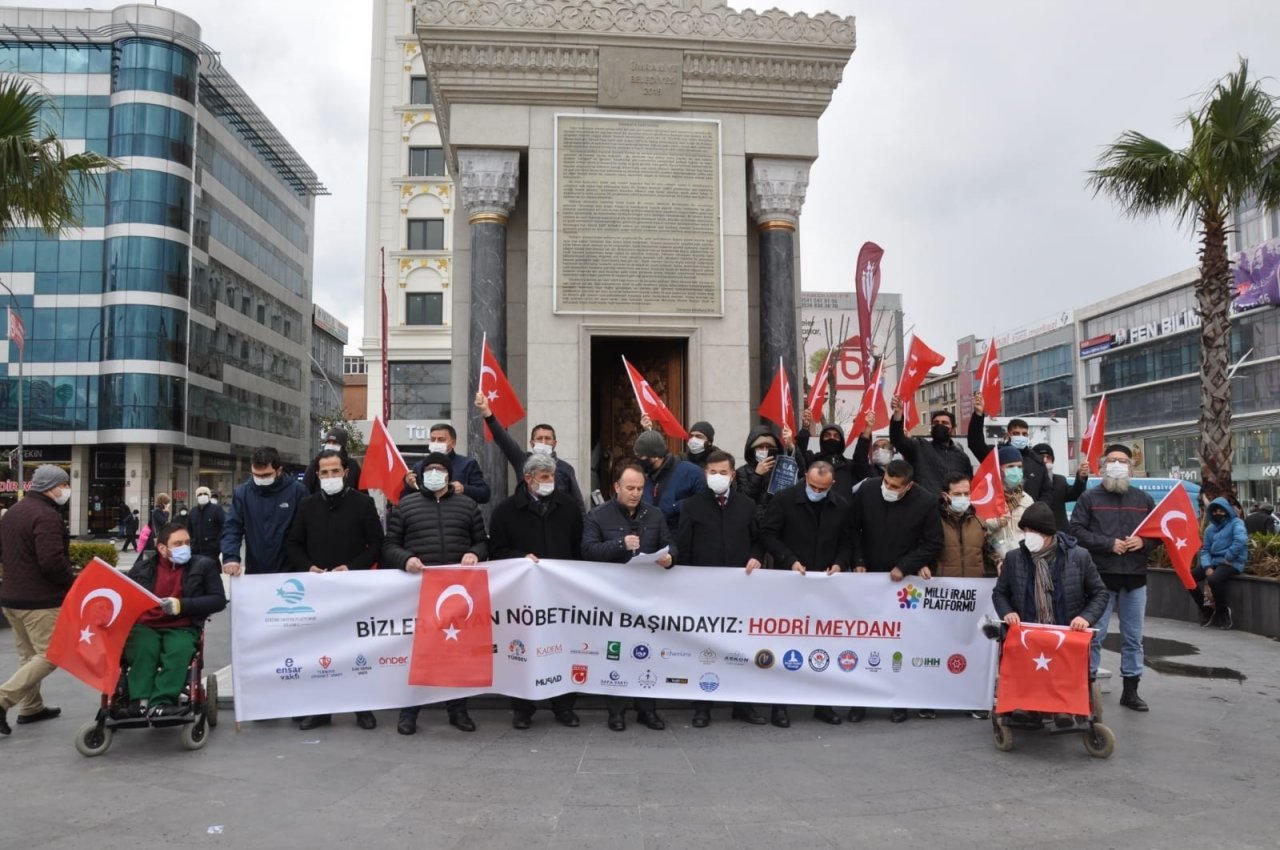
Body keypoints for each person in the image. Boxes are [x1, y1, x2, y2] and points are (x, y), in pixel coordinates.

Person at [382, 452, 487, 735]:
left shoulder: (467, 506)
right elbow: (389, 545)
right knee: (420, 654)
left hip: (457, 593)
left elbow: (482, 542)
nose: (435, 473)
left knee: (457, 653)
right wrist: (405, 559)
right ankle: (409, 713)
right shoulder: (406, 506)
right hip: (419, 592)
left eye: (440, 469)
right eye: (430, 469)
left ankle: (458, 710)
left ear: (449, 474)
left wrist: (474, 553)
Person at [286, 450, 385, 731]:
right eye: (324, 472)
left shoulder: (363, 504)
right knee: (321, 652)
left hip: (352, 590)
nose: (330, 476)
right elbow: (293, 543)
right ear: (317, 475)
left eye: (334, 471)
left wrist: (351, 568)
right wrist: (309, 567)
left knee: (357, 652)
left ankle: (361, 707)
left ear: (345, 472)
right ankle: (321, 710)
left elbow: (376, 544)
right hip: (317, 592)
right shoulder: (307, 505)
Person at [489, 453, 585, 730]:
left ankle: (563, 705)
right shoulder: (505, 512)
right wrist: (521, 558)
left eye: (552, 476)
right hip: (524, 599)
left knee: (562, 648)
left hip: (560, 596)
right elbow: (496, 553)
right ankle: (522, 709)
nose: (550, 482)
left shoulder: (567, 507)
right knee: (522, 650)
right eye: (544, 477)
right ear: (528, 479)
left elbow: (578, 548)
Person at [992, 502, 1109, 725]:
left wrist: (1086, 617)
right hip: (1029, 629)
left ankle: (1063, 708)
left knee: (1066, 657)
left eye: (1034, 532)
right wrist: (1008, 612)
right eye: (1026, 531)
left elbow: (1100, 593)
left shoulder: (1078, 557)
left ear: (1047, 534)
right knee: (1020, 651)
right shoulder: (1015, 558)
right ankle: (1027, 707)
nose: (1029, 536)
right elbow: (1000, 593)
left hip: (1064, 629)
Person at [675, 451, 767, 728]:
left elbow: (759, 540)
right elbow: (685, 547)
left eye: (722, 472)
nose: (717, 477)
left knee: (740, 648)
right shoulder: (691, 506)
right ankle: (703, 705)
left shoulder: (747, 505)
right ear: (705, 475)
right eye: (712, 472)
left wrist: (756, 556)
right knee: (706, 650)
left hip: (740, 590)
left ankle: (743, 704)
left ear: (732, 474)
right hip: (705, 593)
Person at [848, 458, 943, 723]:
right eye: (886, 482)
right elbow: (852, 530)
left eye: (895, 486)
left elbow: (933, 542)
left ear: (908, 486)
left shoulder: (925, 501)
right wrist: (858, 562)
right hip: (866, 579)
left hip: (902, 584)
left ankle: (898, 701)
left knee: (898, 647)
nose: (888, 488)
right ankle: (859, 702)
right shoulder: (868, 490)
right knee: (864, 643)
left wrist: (906, 566)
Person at [758, 461, 851, 728]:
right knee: (787, 644)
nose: (816, 491)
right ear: (804, 480)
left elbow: (847, 540)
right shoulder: (785, 499)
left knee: (824, 645)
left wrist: (840, 563)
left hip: (826, 584)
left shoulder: (841, 505)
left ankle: (823, 704)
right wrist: (789, 560)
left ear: (831, 485)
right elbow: (768, 534)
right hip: (790, 582)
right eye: (811, 486)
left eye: (822, 488)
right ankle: (780, 705)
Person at [581, 462, 673, 732]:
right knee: (616, 653)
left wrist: (670, 558)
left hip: (647, 597)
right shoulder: (598, 516)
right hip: (613, 598)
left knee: (648, 652)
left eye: (640, 488)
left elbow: (670, 543)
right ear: (616, 487)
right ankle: (616, 711)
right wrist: (620, 544)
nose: (635, 493)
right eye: (630, 488)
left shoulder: (654, 515)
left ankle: (648, 710)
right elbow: (587, 550)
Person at [1069, 444, 1157, 712]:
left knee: (1134, 638)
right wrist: (1108, 544)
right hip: (1100, 580)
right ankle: (1088, 688)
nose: (1117, 465)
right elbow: (1076, 530)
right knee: (1095, 635)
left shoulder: (1143, 499)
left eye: (1122, 461)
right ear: (1102, 465)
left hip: (1135, 578)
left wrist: (1144, 541)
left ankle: (1131, 690)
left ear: (1131, 467)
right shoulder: (1089, 498)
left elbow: (1160, 533)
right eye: (1112, 461)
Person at [120, 523, 226, 718]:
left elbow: (218, 600)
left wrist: (182, 605)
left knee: (178, 650)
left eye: (187, 542)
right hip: (146, 624)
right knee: (144, 648)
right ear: (162, 548)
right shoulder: (141, 568)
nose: (184, 547)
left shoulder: (203, 565)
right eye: (178, 543)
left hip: (182, 624)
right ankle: (139, 700)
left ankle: (161, 701)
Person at [0, 465, 76, 734]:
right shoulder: (46, 516)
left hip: (10, 597)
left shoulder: (13, 512)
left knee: (28, 655)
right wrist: (73, 583)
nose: (67, 489)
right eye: (64, 484)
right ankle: (2, 699)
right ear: (51, 486)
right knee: (51, 655)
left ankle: (31, 707)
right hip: (39, 600)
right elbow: (52, 562)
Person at [475, 391, 585, 511]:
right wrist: (487, 413)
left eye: (547, 438)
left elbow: (578, 505)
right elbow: (503, 439)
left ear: (554, 443)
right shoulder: (522, 461)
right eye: (539, 438)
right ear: (532, 443)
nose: (543, 442)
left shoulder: (565, 468)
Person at [221, 446, 309, 576]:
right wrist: (230, 558)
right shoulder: (243, 493)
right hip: (256, 571)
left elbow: (308, 530)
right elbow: (232, 527)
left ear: (279, 470)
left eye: (266, 475)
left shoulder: (297, 491)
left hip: (290, 572)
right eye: (256, 475)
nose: (261, 479)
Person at [967, 394, 1049, 503]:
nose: (1021, 436)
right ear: (1008, 435)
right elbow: (975, 443)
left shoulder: (1037, 461)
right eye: (1016, 433)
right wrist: (978, 415)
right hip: (1001, 513)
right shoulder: (996, 455)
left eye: (1024, 434)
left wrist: (1038, 511)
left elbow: (1046, 492)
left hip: (1030, 514)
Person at [888, 396, 972, 497]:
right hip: (924, 506)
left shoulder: (962, 457)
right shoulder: (919, 447)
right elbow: (897, 439)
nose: (939, 425)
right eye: (936, 423)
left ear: (953, 429)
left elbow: (968, 484)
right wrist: (898, 414)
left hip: (951, 508)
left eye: (944, 423)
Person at [632, 430, 705, 535]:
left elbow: (703, 503)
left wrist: (673, 507)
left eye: (642, 457)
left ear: (655, 456)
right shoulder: (645, 477)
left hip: (682, 541)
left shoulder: (691, 472)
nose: (638, 460)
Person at [1191, 498, 1248, 630]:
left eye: (1221, 510)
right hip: (1213, 562)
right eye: (1215, 510)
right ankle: (1205, 609)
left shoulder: (1236, 523)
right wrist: (1208, 566)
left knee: (1214, 579)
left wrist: (1229, 557)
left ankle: (1223, 612)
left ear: (1227, 510)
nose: (1218, 513)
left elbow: (1241, 540)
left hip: (1232, 562)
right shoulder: (1210, 529)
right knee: (1190, 578)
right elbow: (1205, 550)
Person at [403, 423, 490, 504]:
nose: (436, 443)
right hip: (427, 515)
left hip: (457, 514)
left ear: (453, 443)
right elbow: (405, 499)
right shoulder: (419, 466)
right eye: (433, 440)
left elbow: (484, 494)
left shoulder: (467, 464)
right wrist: (410, 486)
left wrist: (465, 489)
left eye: (441, 440)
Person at [984, 446, 1036, 572]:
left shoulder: (1026, 499)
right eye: (1010, 467)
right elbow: (977, 533)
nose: (1016, 471)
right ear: (998, 470)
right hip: (994, 565)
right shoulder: (987, 498)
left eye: (1019, 467)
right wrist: (996, 523)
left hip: (1023, 564)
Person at [936, 472, 995, 579]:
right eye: (957, 494)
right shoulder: (934, 521)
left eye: (966, 494)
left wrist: (999, 561)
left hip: (973, 588)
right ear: (945, 496)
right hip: (944, 588)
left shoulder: (979, 522)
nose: (963, 498)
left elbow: (990, 550)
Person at [734, 425, 803, 515]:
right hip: (753, 520)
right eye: (760, 447)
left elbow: (801, 471)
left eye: (768, 447)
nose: (764, 450)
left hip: (776, 518)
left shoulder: (780, 467)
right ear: (752, 449)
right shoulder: (742, 471)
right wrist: (757, 475)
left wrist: (791, 446)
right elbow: (743, 499)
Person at [1033, 443, 1089, 532]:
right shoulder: (1027, 482)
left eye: (1048, 457)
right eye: (1041, 456)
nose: (1045, 460)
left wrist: (1080, 478)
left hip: (1059, 533)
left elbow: (1075, 495)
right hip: (1035, 532)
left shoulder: (1060, 481)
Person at [799, 409, 856, 495]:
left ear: (841, 441)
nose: (831, 438)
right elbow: (800, 452)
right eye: (827, 435)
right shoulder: (812, 460)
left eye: (836, 436)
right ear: (822, 440)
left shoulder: (849, 465)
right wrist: (805, 428)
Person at [302, 427, 364, 494]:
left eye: (335, 443)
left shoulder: (353, 465)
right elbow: (305, 489)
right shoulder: (315, 464)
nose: (331, 445)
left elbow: (362, 492)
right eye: (328, 442)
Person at [848, 411, 894, 485]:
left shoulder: (899, 472)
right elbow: (860, 457)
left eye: (884, 447)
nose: (880, 450)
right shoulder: (868, 471)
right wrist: (868, 428)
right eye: (876, 447)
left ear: (892, 453)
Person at [185, 486, 226, 559]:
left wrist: (218, 545)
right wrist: (191, 543)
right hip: (196, 551)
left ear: (209, 496)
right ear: (196, 497)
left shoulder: (216, 509)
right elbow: (189, 529)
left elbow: (224, 527)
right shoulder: (193, 511)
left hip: (212, 551)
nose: (202, 496)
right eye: (200, 494)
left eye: (205, 494)